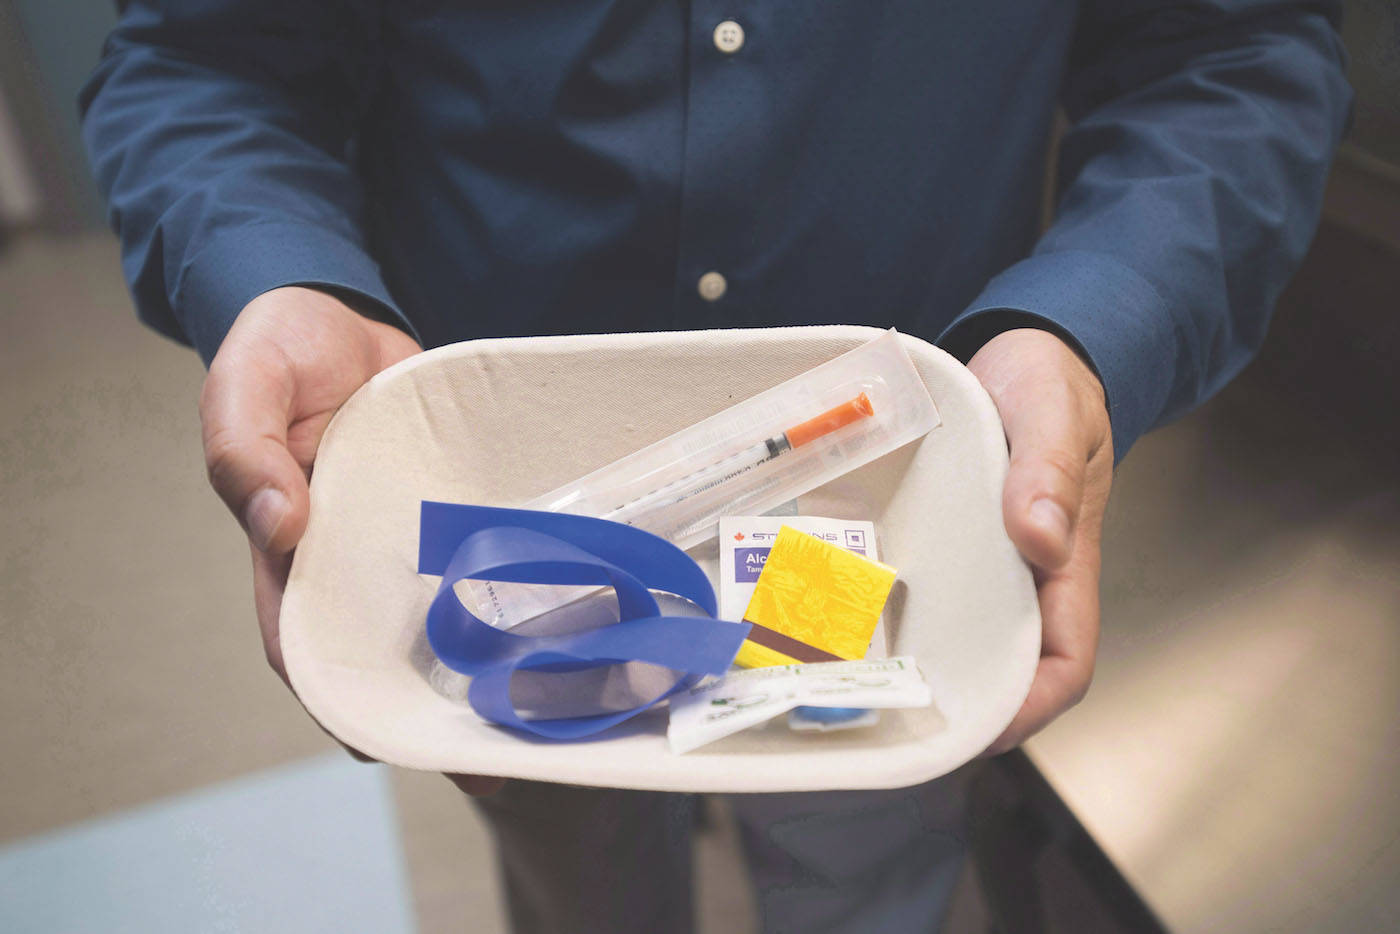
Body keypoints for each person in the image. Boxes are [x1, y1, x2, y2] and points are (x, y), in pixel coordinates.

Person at [81, 2, 1351, 930]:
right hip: (504, 517)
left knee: (864, 851)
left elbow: (1227, 51)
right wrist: (278, 272)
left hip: (896, 515)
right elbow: (205, 61)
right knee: (576, 866)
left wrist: (1087, 324)